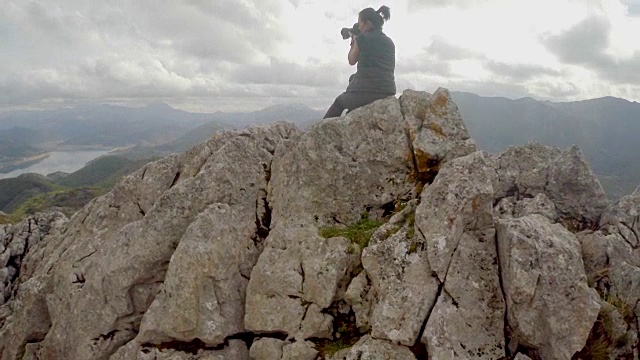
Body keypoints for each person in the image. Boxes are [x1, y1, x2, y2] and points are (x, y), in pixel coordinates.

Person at [324, 6, 396, 118]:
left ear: (367, 23)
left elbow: (351, 60)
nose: (359, 26)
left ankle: (321, 132)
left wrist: (353, 41)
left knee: (339, 102)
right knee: (352, 78)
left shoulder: (362, 39)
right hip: (388, 90)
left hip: (370, 91)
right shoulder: (389, 41)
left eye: (360, 23)